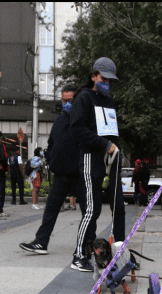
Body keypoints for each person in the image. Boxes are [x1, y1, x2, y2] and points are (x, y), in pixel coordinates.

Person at [70, 57, 125, 272]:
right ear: (94, 76)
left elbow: (112, 130)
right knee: (92, 209)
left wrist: (115, 148)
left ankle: (120, 254)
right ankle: (79, 254)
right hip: (90, 157)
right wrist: (104, 144)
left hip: (110, 157)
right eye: (104, 79)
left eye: (111, 81)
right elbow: (77, 130)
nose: (107, 84)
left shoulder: (109, 102)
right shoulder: (83, 98)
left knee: (118, 205)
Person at [21, 85, 85, 255]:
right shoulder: (59, 120)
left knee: (88, 212)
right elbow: (51, 143)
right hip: (61, 173)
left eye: (70, 100)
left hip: (80, 173)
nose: (67, 103)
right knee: (51, 209)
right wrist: (50, 158)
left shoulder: (85, 119)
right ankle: (41, 242)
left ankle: (87, 246)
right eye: (64, 100)